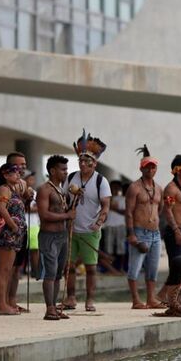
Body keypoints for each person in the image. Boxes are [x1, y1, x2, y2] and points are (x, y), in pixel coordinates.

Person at [64, 131, 110, 313]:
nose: (83, 164)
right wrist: (65, 215)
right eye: (80, 161)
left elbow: (106, 206)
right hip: (71, 230)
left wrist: (98, 223)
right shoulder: (70, 178)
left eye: (87, 162)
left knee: (91, 268)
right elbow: (62, 200)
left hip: (90, 230)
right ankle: (71, 297)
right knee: (69, 266)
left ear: (94, 163)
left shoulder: (101, 180)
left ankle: (89, 300)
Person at [125, 145, 164, 309]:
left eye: (153, 167)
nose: (150, 170)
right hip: (140, 232)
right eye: (147, 167)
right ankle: (135, 300)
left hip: (155, 233)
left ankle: (151, 299)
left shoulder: (159, 188)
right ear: (141, 168)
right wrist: (131, 234)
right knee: (134, 267)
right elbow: (128, 213)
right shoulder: (134, 188)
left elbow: (160, 209)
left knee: (153, 268)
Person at [36, 155, 74, 321]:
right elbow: (44, 215)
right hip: (49, 236)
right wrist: (67, 215)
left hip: (62, 236)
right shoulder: (44, 190)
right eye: (63, 169)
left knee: (58, 274)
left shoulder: (61, 190)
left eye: (66, 169)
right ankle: (49, 309)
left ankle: (55, 306)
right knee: (50, 274)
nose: (66, 172)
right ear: (52, 171)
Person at [0, 163, 27, 315]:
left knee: (8, 271)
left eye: (19, 172)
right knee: (3, 270)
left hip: (14, 236)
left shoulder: (12, 189)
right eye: (14, 172)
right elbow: (1, 208)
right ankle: (2, 306)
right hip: (7, 235)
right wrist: (13, 226)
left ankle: (5, 303)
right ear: (5, 175)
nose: (18, 174)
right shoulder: (4, 189)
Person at [101, 180, 127, 274]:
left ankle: (120, 268)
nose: (114, 189)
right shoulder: (106, 198)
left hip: (121, 225)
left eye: (116, 187)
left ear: (120, 188)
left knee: (121, 249)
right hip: (109, 226)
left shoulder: (123, 199)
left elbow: (126, 212)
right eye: (112, 187)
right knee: (109, 249)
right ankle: (110, 269)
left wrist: (114, 208)